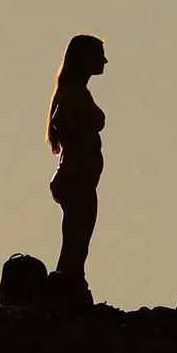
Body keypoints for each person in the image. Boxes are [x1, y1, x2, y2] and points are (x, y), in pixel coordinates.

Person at [47, 35, 107, 284]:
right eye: (98, 55)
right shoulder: (74, 95)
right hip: (76, 178)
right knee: (76, 242)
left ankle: (70, 286)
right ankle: (68, 288)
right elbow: (61, 120)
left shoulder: (78, 92)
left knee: (77, 242)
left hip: (78, 178)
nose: (104, 61)